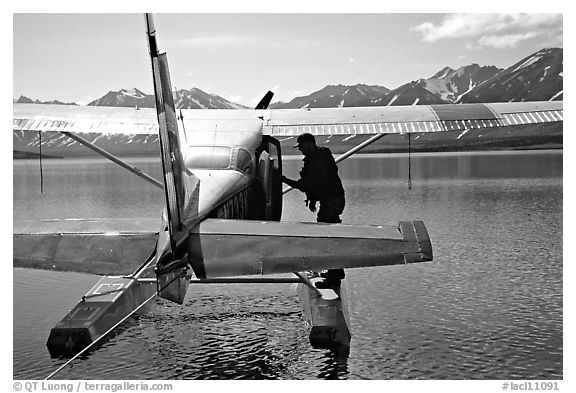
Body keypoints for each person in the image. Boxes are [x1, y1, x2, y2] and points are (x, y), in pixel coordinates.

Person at [282, 133, 346, 289]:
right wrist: (313, 199)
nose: (301, 150)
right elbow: (320, 183)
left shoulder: (317, 161)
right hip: (332, 199)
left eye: (302, 147)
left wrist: (282, 179)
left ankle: (334, 279)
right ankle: (335, 273)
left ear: (310, 144)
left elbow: (306, 184)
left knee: (328, 239)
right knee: (330, 237)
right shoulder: (320, 156)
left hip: (331, 202)